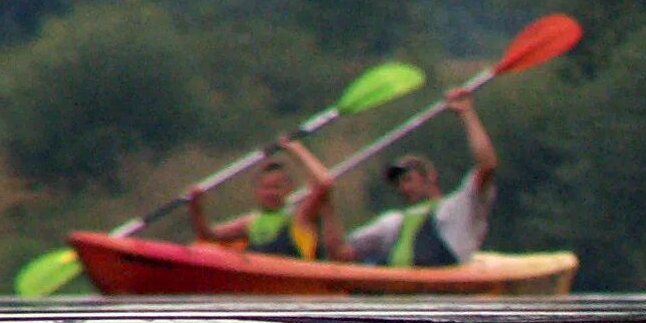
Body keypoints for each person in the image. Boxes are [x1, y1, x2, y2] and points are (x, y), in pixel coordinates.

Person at [338, 87, 498, 268]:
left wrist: (467, 113)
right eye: (398, 184)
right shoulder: (393, 223)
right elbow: (341, 252)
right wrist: (325, 198)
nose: (403, 189)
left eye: (407, 180)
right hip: (400, 291)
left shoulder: (458, 208)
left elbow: (487, 166)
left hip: (443, 289)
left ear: (429, 176)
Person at [187, 139, 339, 260]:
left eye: (276, 187)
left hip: (296, 286)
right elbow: (207, 235)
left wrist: (295, 149)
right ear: (257, 191)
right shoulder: (250, 222)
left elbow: (324, 184)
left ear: (288, 189)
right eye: (266, 188)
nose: (271, 193)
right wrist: (196, 207)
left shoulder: (300, 216)